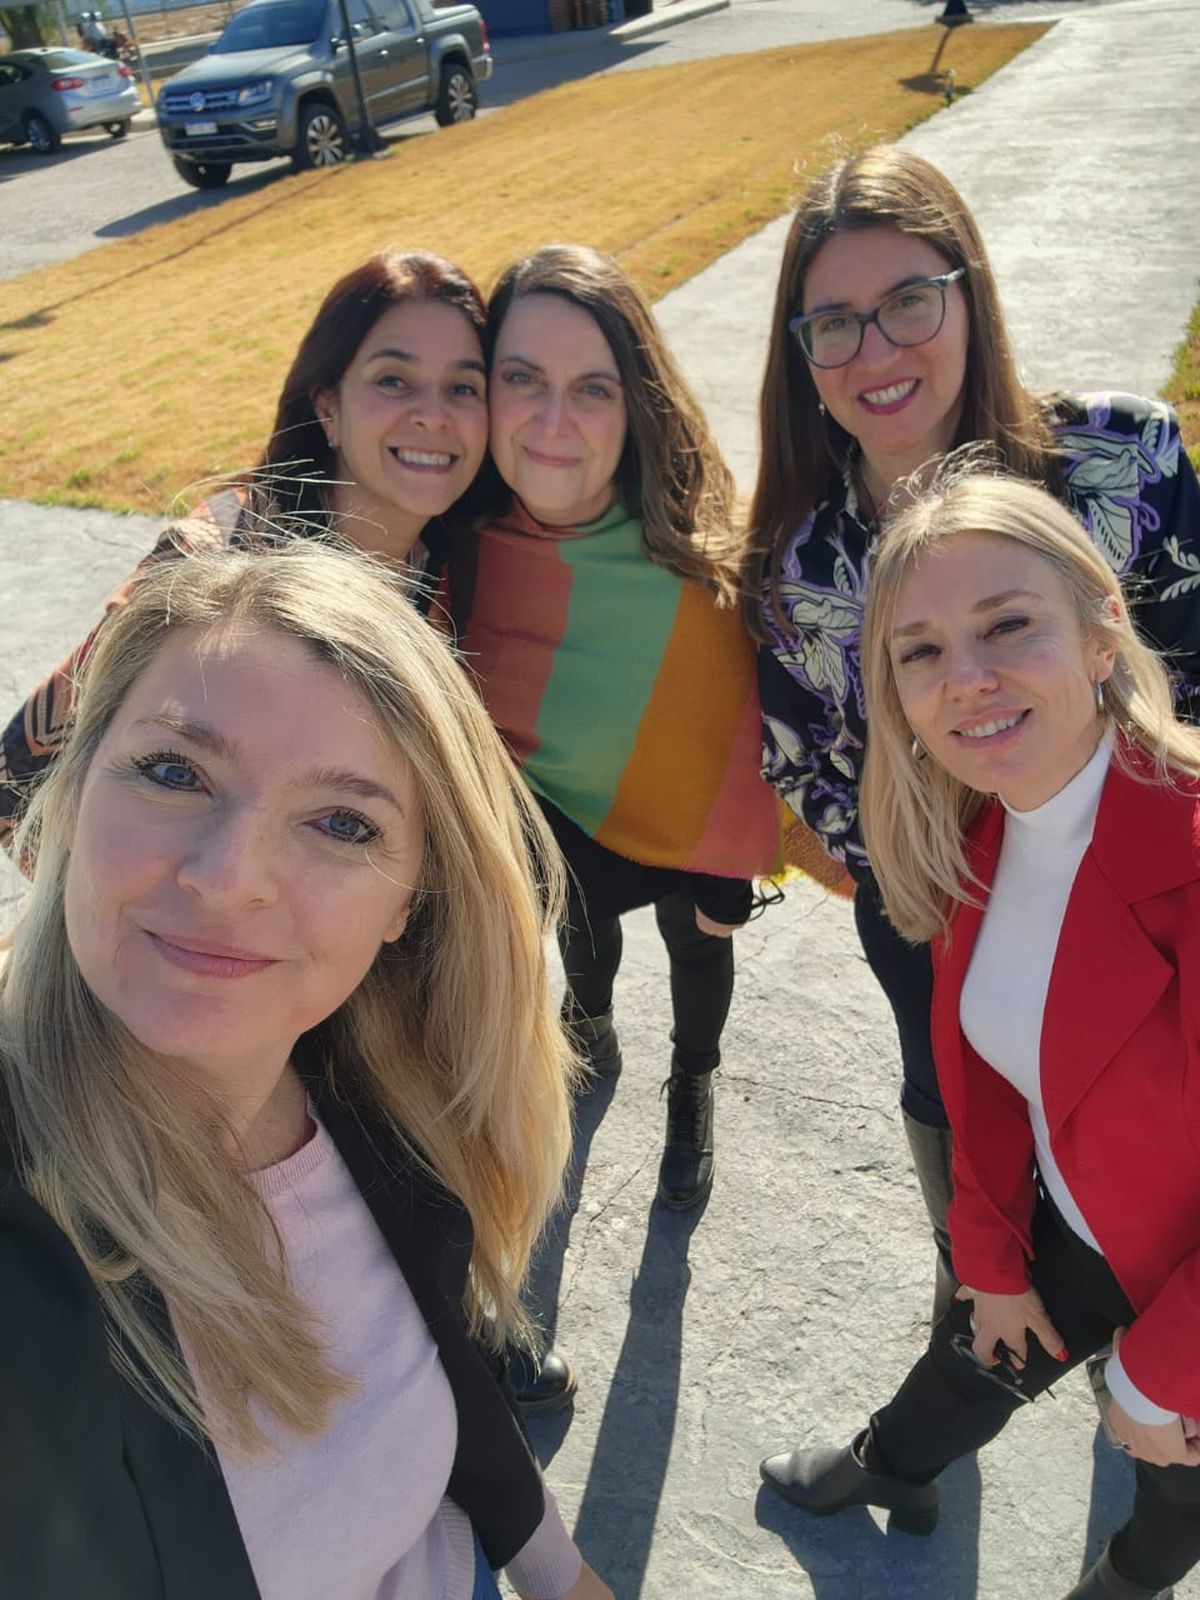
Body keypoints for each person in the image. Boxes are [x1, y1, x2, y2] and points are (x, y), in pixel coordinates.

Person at [0, 249, 576, 1412]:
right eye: (392, 378)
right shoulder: (220, 557)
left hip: (361, 953)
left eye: (464, 386)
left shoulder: (444, 574)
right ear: (327, 399)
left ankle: (459, 1312)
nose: (432, 415)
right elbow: (23, 775)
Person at [0, 539, 613, 1600]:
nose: (228, 877)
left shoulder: (368, 1086)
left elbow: (438, 1356)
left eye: (341, 822)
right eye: (172, 770)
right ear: (77, 782)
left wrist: (555, 1568)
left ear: (411, 902)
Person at [748, 144, 1200, 1321]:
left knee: (1160, 1206)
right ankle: (972, 1345)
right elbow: (808, 762)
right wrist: (936, 883)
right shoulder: (803, 567)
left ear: (969, 289)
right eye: (833, 324)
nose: (876, 352)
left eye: (907, 302)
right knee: (974, 1181)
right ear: (801, 357)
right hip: (939, 924)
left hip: (1162, 924)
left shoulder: (1125, 463)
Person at [759, 468, 1200, 1600]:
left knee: (1176, 1485)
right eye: (922, 651)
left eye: (1008, 624)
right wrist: (994, 1265)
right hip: (1089, 1225)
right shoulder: (980, 836)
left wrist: (1157, 1374)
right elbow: (988, 1084)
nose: (968, 679)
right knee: (966, 1362)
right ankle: (888, 1469)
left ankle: (1128, 1581)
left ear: (1104, 630)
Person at [448, 243, 782, 1212]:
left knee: (698, 947)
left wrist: (734, 857)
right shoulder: (456, 548)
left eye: (593, 388)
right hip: (560, 837)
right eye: (522, 379)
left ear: (636, 401)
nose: (554, 422)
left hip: (687, 841)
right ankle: (588, 1024)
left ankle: (693, 1082)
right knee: (582, 943)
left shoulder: (696, 553)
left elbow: (736, 720)